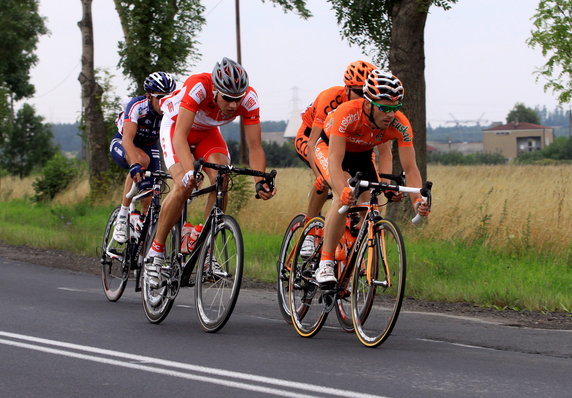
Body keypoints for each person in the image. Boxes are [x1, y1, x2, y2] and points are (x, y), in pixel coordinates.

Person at [144, 57, 276, 287]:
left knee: (222, 179)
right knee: (183, 185)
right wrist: (188, 172)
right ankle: (155, 254)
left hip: (207, 134)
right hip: (177, 129)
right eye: (228, 98)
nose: (234, 105)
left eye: (238, 99)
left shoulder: (250, 99)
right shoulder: (198, 87)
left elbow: (255, 147)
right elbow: (180, 137)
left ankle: (205, 250)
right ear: (215, 89)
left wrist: (259, 180)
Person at [313, 69, 430, 284]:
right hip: (329, 149)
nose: (390, 114)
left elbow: (411, 168)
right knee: (343, 196)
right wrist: (343, 189)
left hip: (362, 155)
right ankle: (325, 264)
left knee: (370, 202)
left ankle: (357, 255)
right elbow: (335, 162)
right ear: (368, 104)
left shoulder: (400, 124)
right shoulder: (347, 113)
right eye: (384, 108)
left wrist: (417, 201)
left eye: (395, 108)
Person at [295, 60, 376, 256]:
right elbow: (313, 143)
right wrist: (319, 175)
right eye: (358, 92)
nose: (362, 99)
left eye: (367, 95)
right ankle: (309, 230)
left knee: (365, 187)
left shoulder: (368, 110)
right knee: (327, 179)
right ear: (347, 88)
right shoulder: (331, 98)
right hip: (311, 139)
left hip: (341, 143)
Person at [110, 72, 177, 243]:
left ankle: (142, 251)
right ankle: (123, 215)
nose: (165, 103)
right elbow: (127, 139)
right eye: (160, 98)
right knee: (141, 161)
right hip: (125, 142)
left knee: (150, 198)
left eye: (169, 97)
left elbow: (178, 141)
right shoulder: (137, 105)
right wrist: (134, 166)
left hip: (150, 147)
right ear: (148, 96)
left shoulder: (172, 109)